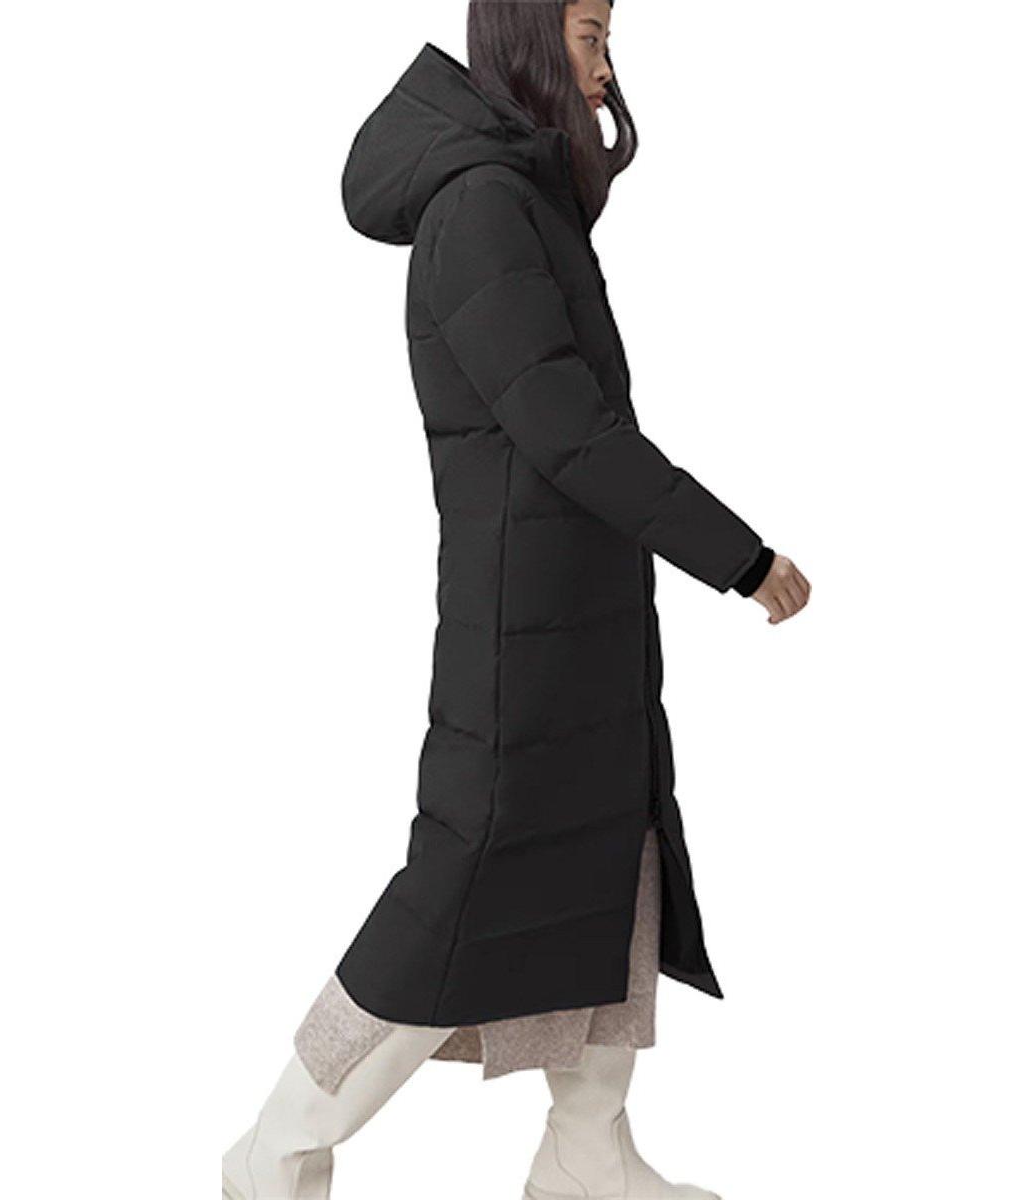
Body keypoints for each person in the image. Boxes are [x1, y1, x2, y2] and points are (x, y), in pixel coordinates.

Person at [222, 2, 811, 1197]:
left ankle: (587, 1155)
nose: (606, 66)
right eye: (590, 33)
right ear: (532, 37)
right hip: (521, 628)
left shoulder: (526, 196)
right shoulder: (481, 207)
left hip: (585, 611)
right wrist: (738, 556)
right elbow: (570, 431)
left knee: (613, 861)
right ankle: (275, 1154)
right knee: (456, 895)